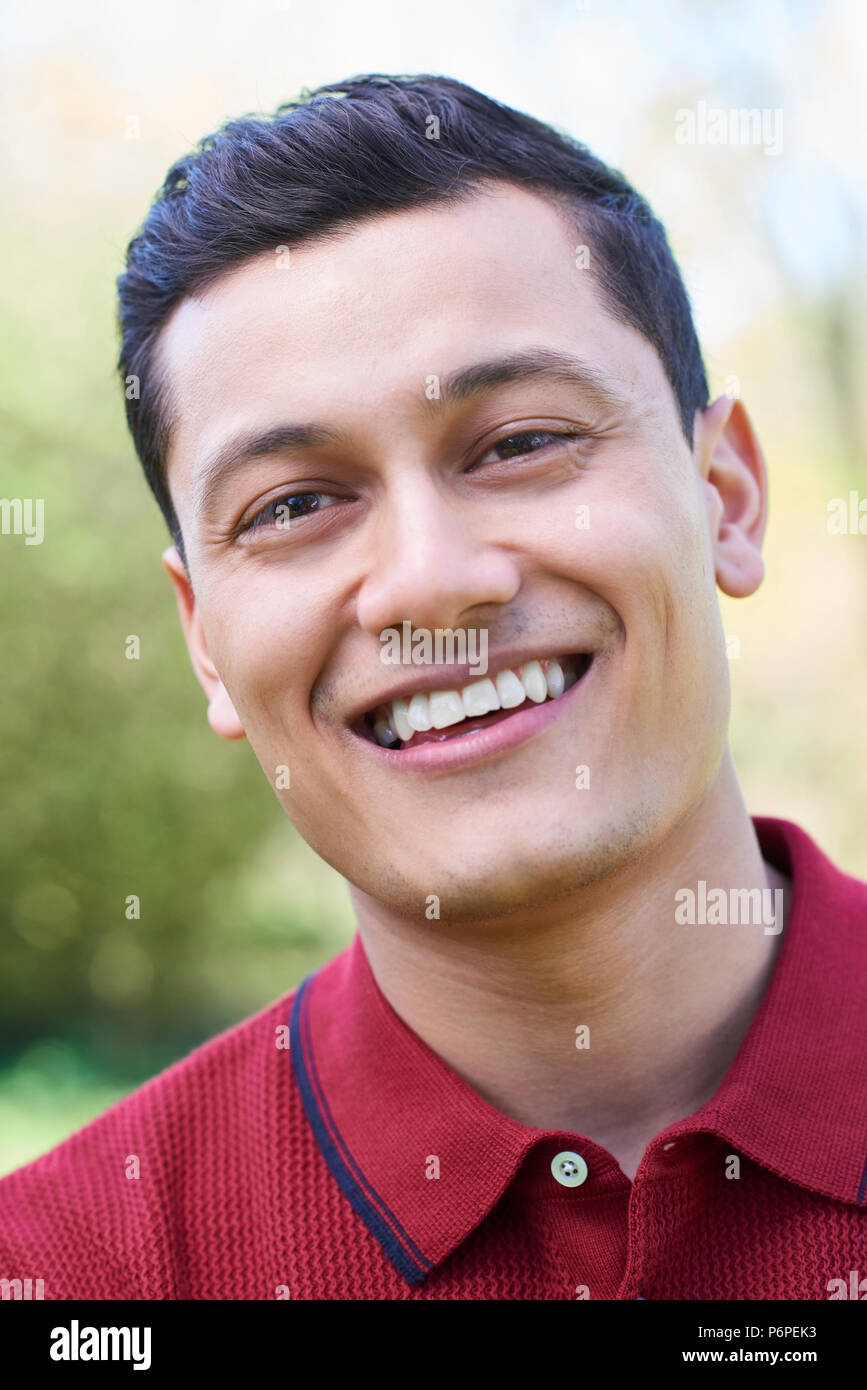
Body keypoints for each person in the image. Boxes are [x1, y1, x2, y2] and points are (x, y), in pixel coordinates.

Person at [1, 73, 864, 1301]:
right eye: (293, 506)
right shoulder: (65, 1278)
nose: (430, 584)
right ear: (202, 641)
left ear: (724, 497)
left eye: (521, 442)